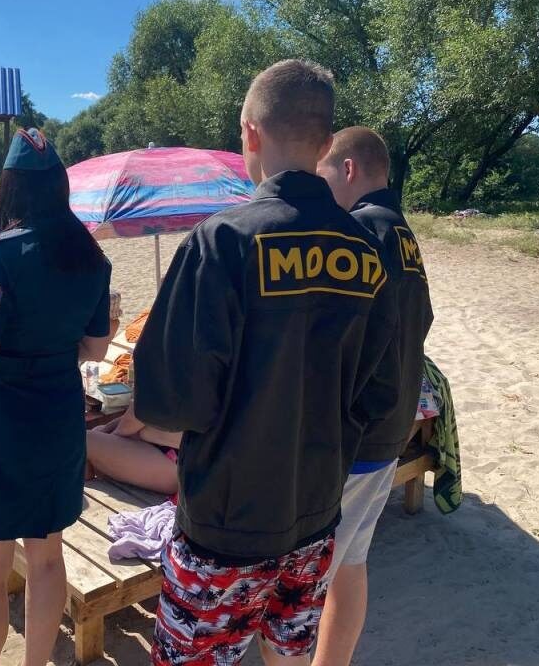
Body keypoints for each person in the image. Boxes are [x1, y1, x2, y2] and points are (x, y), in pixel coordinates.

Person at [133, 60, 399, 666]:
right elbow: (380, 394)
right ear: (326, 145)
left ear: (249, 133)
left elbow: (170, 403)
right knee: (289, 652)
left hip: (226, 523)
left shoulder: (223, 240)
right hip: (316, 514)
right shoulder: (367, 251)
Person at [0, 128, 113, 666]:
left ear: (10, 188)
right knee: (47, 560)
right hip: (59, 417)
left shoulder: (1, 252)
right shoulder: (91, 256)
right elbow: (94, 348)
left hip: (0, 423)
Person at [313, 127, 433, 666]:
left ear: (348, 169)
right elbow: (420, 321)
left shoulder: (358, 230)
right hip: (392, 424)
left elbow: (336, 339)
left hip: (356, 435)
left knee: (313, 576)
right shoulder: (401, 232)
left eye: (323, 175)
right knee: (351, 562)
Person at [86, 404, 181, 496]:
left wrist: (110, 439)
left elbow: (139, 412)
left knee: (85, 440)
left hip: (178, 469)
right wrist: (106, 431)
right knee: (98, 432)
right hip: (179, 459)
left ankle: (86, 488)